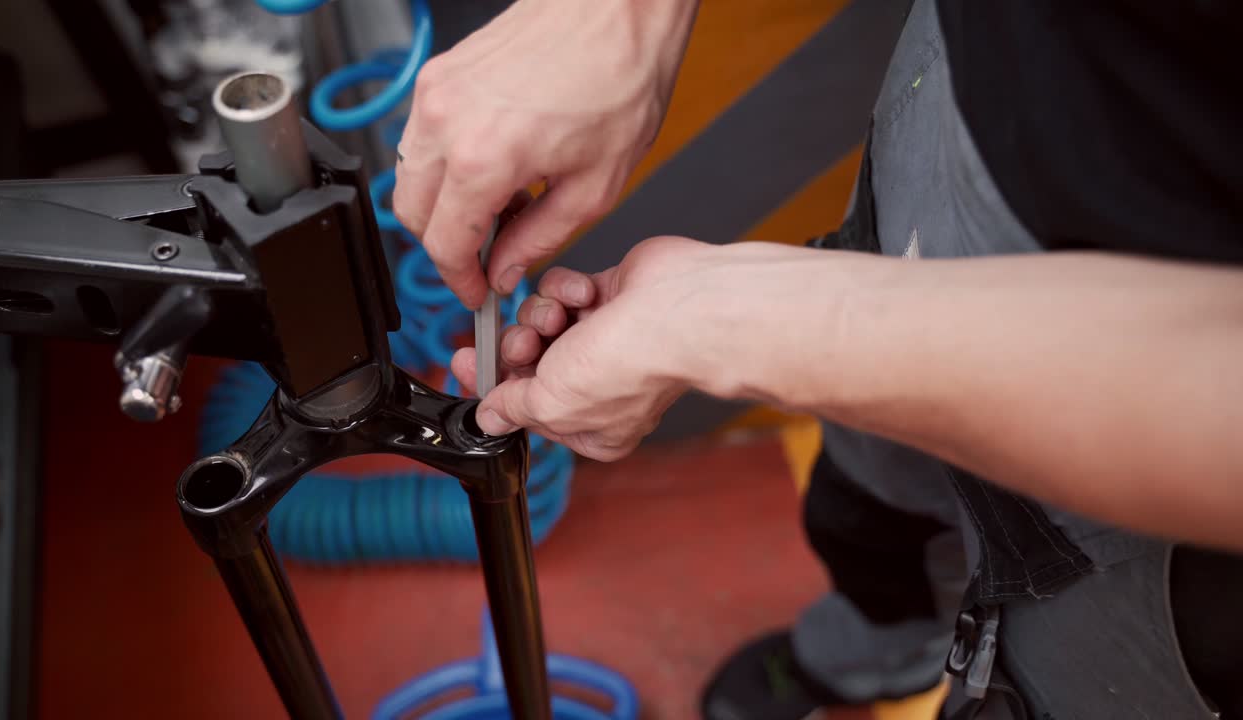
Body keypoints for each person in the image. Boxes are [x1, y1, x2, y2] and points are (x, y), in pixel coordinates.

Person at [392, 0, 1243, 717]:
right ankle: (874, 651)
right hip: (956, 100)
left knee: (1042, 685)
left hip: (1167, 479)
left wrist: (729, 324)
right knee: (870, 503)